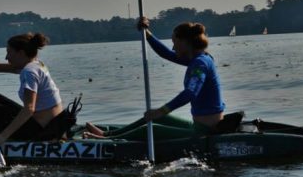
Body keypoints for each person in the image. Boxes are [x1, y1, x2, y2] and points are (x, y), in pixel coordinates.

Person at [84, 17, 225, 140]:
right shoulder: (198, 58)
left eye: (175, 42)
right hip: (199, 125)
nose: (173, 47)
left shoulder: (200, 63)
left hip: (204, 131)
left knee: (150, 129)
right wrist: (145, 32)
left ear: (185, 42)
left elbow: (190, 93)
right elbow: (166, 53)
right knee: (152, 117)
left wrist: (161, 110)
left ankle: (110, 139)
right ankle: (107, 135)